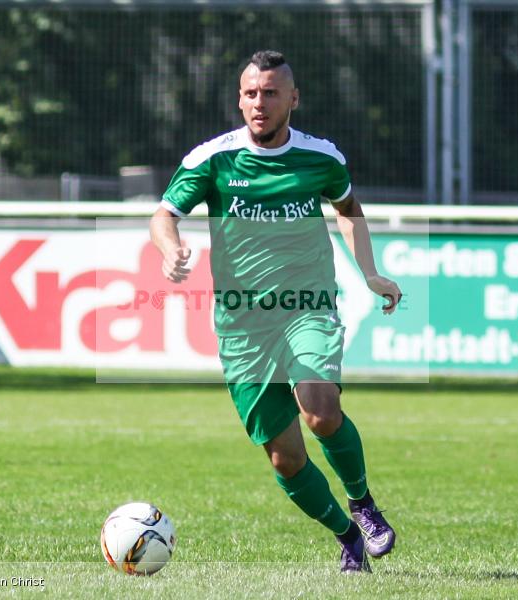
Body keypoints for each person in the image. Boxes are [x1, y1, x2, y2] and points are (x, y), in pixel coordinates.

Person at [149, 50, 402, 573]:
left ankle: (363, 501)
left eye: (269, 93)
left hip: (307, 307)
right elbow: (164, 215)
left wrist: (370, 273)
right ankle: (347, 534)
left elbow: (348, 210)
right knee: (286, 459)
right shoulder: (212, 160)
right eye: (249, 93)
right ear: (238, 98)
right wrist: (169, 247)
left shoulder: (321, 158)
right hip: (243, 325)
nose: (258, 103)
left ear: (293, 98)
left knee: (320, 410)